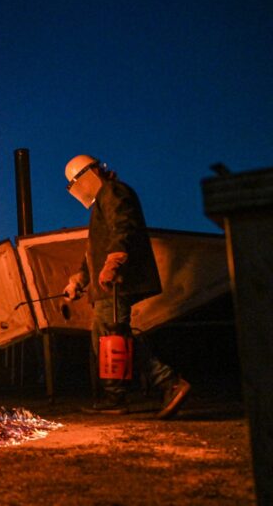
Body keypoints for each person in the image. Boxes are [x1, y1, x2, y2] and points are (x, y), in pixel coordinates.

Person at [62, 154, 190, 418]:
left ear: (88, 174)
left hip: (116, 283)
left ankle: (167, 383)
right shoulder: (102, 202)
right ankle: (117, 396)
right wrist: (78, 280)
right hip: (107, 286)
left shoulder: (113, 192)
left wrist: (115, 261)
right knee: (112, 337)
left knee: (114, 337)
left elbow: (124, 226)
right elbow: (94, 253)